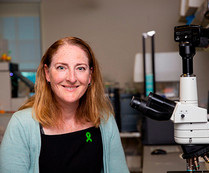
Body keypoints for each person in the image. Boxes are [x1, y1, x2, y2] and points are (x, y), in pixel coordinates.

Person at [0, 37, 129, 173]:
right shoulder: (21, 124)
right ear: (47, 73)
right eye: (61, 67)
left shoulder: (105, 120)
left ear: (90, 75)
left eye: (80, 68)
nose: (71, 78)